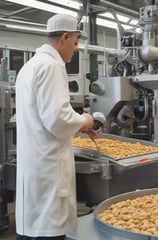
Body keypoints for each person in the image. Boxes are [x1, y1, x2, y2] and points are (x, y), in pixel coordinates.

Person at [15, 14, 94, 239]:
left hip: (34, 168)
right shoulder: (52, 66)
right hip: (48, 171)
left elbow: (47, 114)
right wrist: (86, 121)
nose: (76, 49)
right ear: (65, 37)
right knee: (47, 230)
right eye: (75, 42)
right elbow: (58, 120)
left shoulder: (29, 66)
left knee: (31, 228)